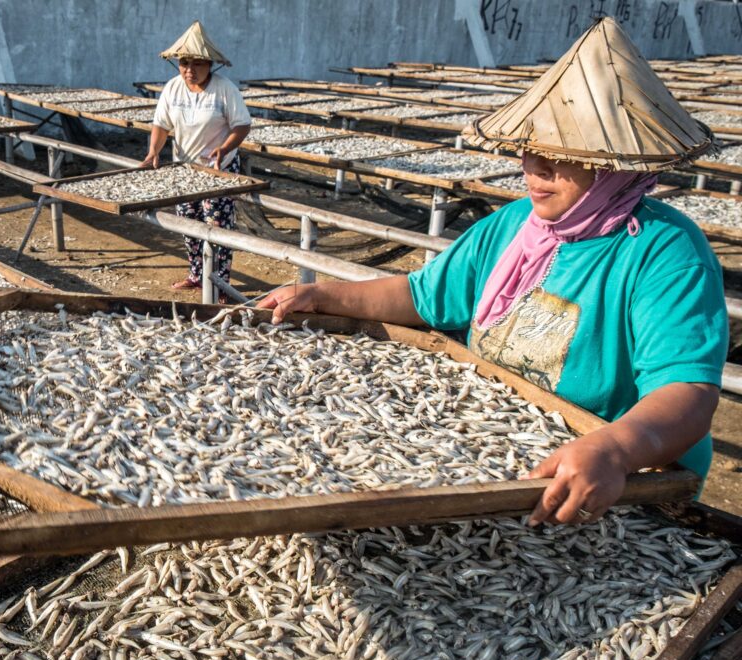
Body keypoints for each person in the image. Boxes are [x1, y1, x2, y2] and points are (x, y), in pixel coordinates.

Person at [259, 18, 727, 527]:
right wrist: (324, 295)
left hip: (615, 481)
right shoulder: (511, 227)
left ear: (615, 164)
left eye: (561, 155)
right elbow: (422, 297)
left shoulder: (666, 250)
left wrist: (613, 449)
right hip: (504, 447)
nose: (534, 169)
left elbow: (686, 393)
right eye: (531, 150)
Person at [142, 21, 252, 297]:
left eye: (198, 64)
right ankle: (196, 275)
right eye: (184, 63)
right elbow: (161, 125)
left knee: (217, 229)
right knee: (189, 226)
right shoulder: (172, 88)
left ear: (210, 65)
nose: (190, 69)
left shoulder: (225, 90)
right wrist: (153, 151)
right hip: (185, 170)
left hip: (218, 170)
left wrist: (224, 149)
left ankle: (220, 283)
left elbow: (241, 126)